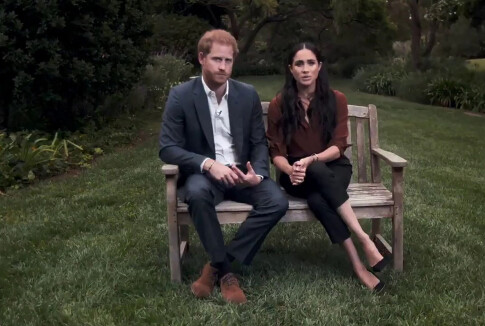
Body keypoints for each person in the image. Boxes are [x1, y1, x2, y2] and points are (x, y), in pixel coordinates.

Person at [159, 29, 288, 304]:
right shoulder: (181, 95)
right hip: (205, 176)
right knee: (196, 193)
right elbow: (167, 147)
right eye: (217, 59)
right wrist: (207, 164)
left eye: (228, 61)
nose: (223, 67)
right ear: (201, 58)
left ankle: (216, 265)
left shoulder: (247, 94)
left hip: (242, 173)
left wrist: (259, 174)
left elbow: (258, 142)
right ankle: (228, 273)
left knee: (277, 201)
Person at [266, 42, 390, 293]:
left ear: (319, 67)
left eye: (311, 63)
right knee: (314, 177)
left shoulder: (336, 99)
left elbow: (338, 145)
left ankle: (358, 264)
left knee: (318, 198)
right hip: (295, 176)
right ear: (290, 69)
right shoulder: (279, 104)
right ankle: (364, 239)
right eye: (299, 64)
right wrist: (291, 170)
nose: (305, 69)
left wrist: (312, 159)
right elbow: (276, 152)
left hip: (334, 168)